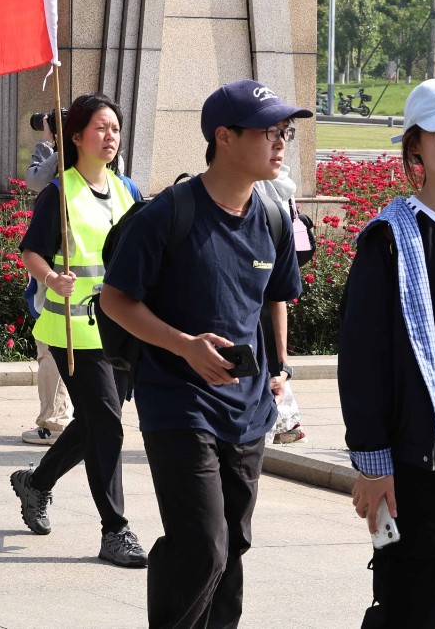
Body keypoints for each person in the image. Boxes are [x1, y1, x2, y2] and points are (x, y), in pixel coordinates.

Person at [101, 80, 307, 629]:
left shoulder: (273, 216)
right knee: (203, 545)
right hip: (178, 401)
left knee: (232, 544)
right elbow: (116, 300)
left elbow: (274, 299)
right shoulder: (167, 215)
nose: (282, 142)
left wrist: (280, 368)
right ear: (225, 136)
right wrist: (184, 346)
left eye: (284, 131)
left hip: (248, 407)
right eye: (269, 132)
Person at [340, 77, 435, 628]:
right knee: (407, 614)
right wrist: (372, 464)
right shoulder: (391, 238)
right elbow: (363, 362)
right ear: (415, 144)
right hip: (424, 473)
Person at [9, 94, 148, 567]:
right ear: (76, 136)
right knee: (107, 424)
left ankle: (37, 482)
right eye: (100, 129)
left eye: (115, 128)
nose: (109, 137)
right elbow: (31, 252)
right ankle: (116, 530)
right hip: (74, 330)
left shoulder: (128, 190)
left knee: (92, 423)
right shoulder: (59, 192)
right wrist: (51, 278)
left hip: (123, 332)